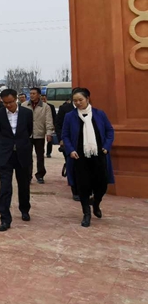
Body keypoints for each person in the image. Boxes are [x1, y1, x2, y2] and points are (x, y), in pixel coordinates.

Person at [61, 88, 115, 228]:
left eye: (80, 100)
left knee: (102, 185)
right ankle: (86, 213)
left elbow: (109, 131)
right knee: (83, 186)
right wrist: (70, 150)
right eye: (75, 101)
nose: (78, 103)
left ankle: (96, 203)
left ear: (87, 99)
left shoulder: (99, 114)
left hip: (99, 155)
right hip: (79, 156)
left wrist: (106, 146)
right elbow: (65, 135)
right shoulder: (70, 116)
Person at [0, 88, 34, 232]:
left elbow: (29, 130)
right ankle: (5, 218)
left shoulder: (27, 113)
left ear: (16, 99)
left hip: (23, 153)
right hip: (6, 155)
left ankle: (24, 209)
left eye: (11, 102)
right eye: (5, 103)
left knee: (23, 184)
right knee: (5, 187)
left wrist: (20, 143)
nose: (9, 105)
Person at [21, 87, 54, 184]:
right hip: (27, 135)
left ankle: (40, 175)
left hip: (39, 134)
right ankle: (28, 176)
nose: (31, 95)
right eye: (30, 93)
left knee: (40, 156)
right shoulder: (24, 105)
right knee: (27, 157)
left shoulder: (45, 107)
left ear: (39, 95)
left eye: (34, 93)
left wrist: (49, 133)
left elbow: (49, 121)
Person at [55, 93, 78, 200]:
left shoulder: (92, 111)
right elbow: (58, 124)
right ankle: (75, 189)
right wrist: (61, 139)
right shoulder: (65, 109)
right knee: (71, 164)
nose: (78, 102)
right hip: (68, 142)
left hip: (84, 143)